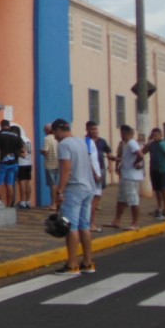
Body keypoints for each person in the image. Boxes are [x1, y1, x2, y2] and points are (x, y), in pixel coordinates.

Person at [51, 118, 98, 275]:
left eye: (54, 133)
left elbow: (66, 169)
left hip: (74, 188)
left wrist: (60, 191)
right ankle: (88, 262)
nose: (55, 137)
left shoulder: (64, 145)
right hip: (88, 187)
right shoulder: (81, 142)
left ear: (58, 130)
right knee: (84, 226)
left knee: (70, 226)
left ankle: (72, 264)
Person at [104, 124, 143, 230]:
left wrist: (135, 163)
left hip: (131, 176)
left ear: (124, 133)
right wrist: (116, 159)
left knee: (133, 200)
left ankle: (135, 223)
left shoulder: (131, 143)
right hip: (125, 175)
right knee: (121, 199)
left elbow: (140, 155)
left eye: (121, 133)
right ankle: (117, 220)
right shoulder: (125, 144)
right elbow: (126, 158)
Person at [142, 127, 165, 220]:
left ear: (161, 135)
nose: (155, 137)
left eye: (156, 135)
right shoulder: (152, 144)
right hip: (155, 169)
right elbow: (143, 152)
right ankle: (160, 208)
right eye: (153, 135)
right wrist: (149, 141)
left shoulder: (163, 144)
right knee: (158, 190)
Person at [85, 121, 112, 231]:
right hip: (93, 172)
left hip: (100, 169)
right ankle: (90, 223)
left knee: (97, 196)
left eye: (96, 129)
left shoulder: (102, 142)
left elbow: (109, 153)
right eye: (92, 129)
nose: (95, 131)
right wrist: (95, 173)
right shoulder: (87, 142)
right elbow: (89, 159)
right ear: (87, 130)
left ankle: (91, 222)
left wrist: (112, 164)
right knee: (93, 198)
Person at [0, 119, 23, 207]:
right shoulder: (16, 135)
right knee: (10, 184)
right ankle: (9, 205)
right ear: (8, 125)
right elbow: (22, 149)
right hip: (14, 162)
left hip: (2, 162)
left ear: (1, 125)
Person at [40, 123, 59, 205]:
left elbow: (46, 152)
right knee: (57, 184)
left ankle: (53, 203)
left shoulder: (47, 139)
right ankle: (57, 203)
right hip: (58, 163)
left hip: (50, 164)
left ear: (47, 130)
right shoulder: (57, 138)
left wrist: (41, 151)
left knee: (52, 185)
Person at [15, 124, 33, 209]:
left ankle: (22, 201)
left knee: (21, 182)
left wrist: (17, 153)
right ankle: (28, 201)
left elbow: (23, 152)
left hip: (21, 162)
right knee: (28, 182)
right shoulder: (28, 139)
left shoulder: (20, 140)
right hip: (29, 162)